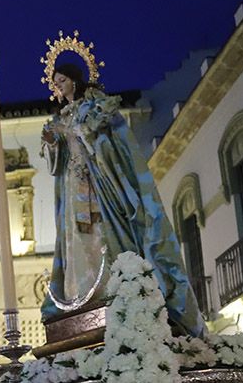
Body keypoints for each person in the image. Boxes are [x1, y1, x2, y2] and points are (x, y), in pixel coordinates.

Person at [40, 58, 204, 337]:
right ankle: (83, 296)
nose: (59, 87)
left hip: (99, 183)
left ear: (75, 80)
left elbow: (111, 143)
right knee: (77, 241)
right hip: (72, 186)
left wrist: (85, 134)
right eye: (55, 84)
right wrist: (54, 142)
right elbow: (57, 162)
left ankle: (112, 290)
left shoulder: (96, 107)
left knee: (103, 234)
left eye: (63, 81)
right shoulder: (61, 117)